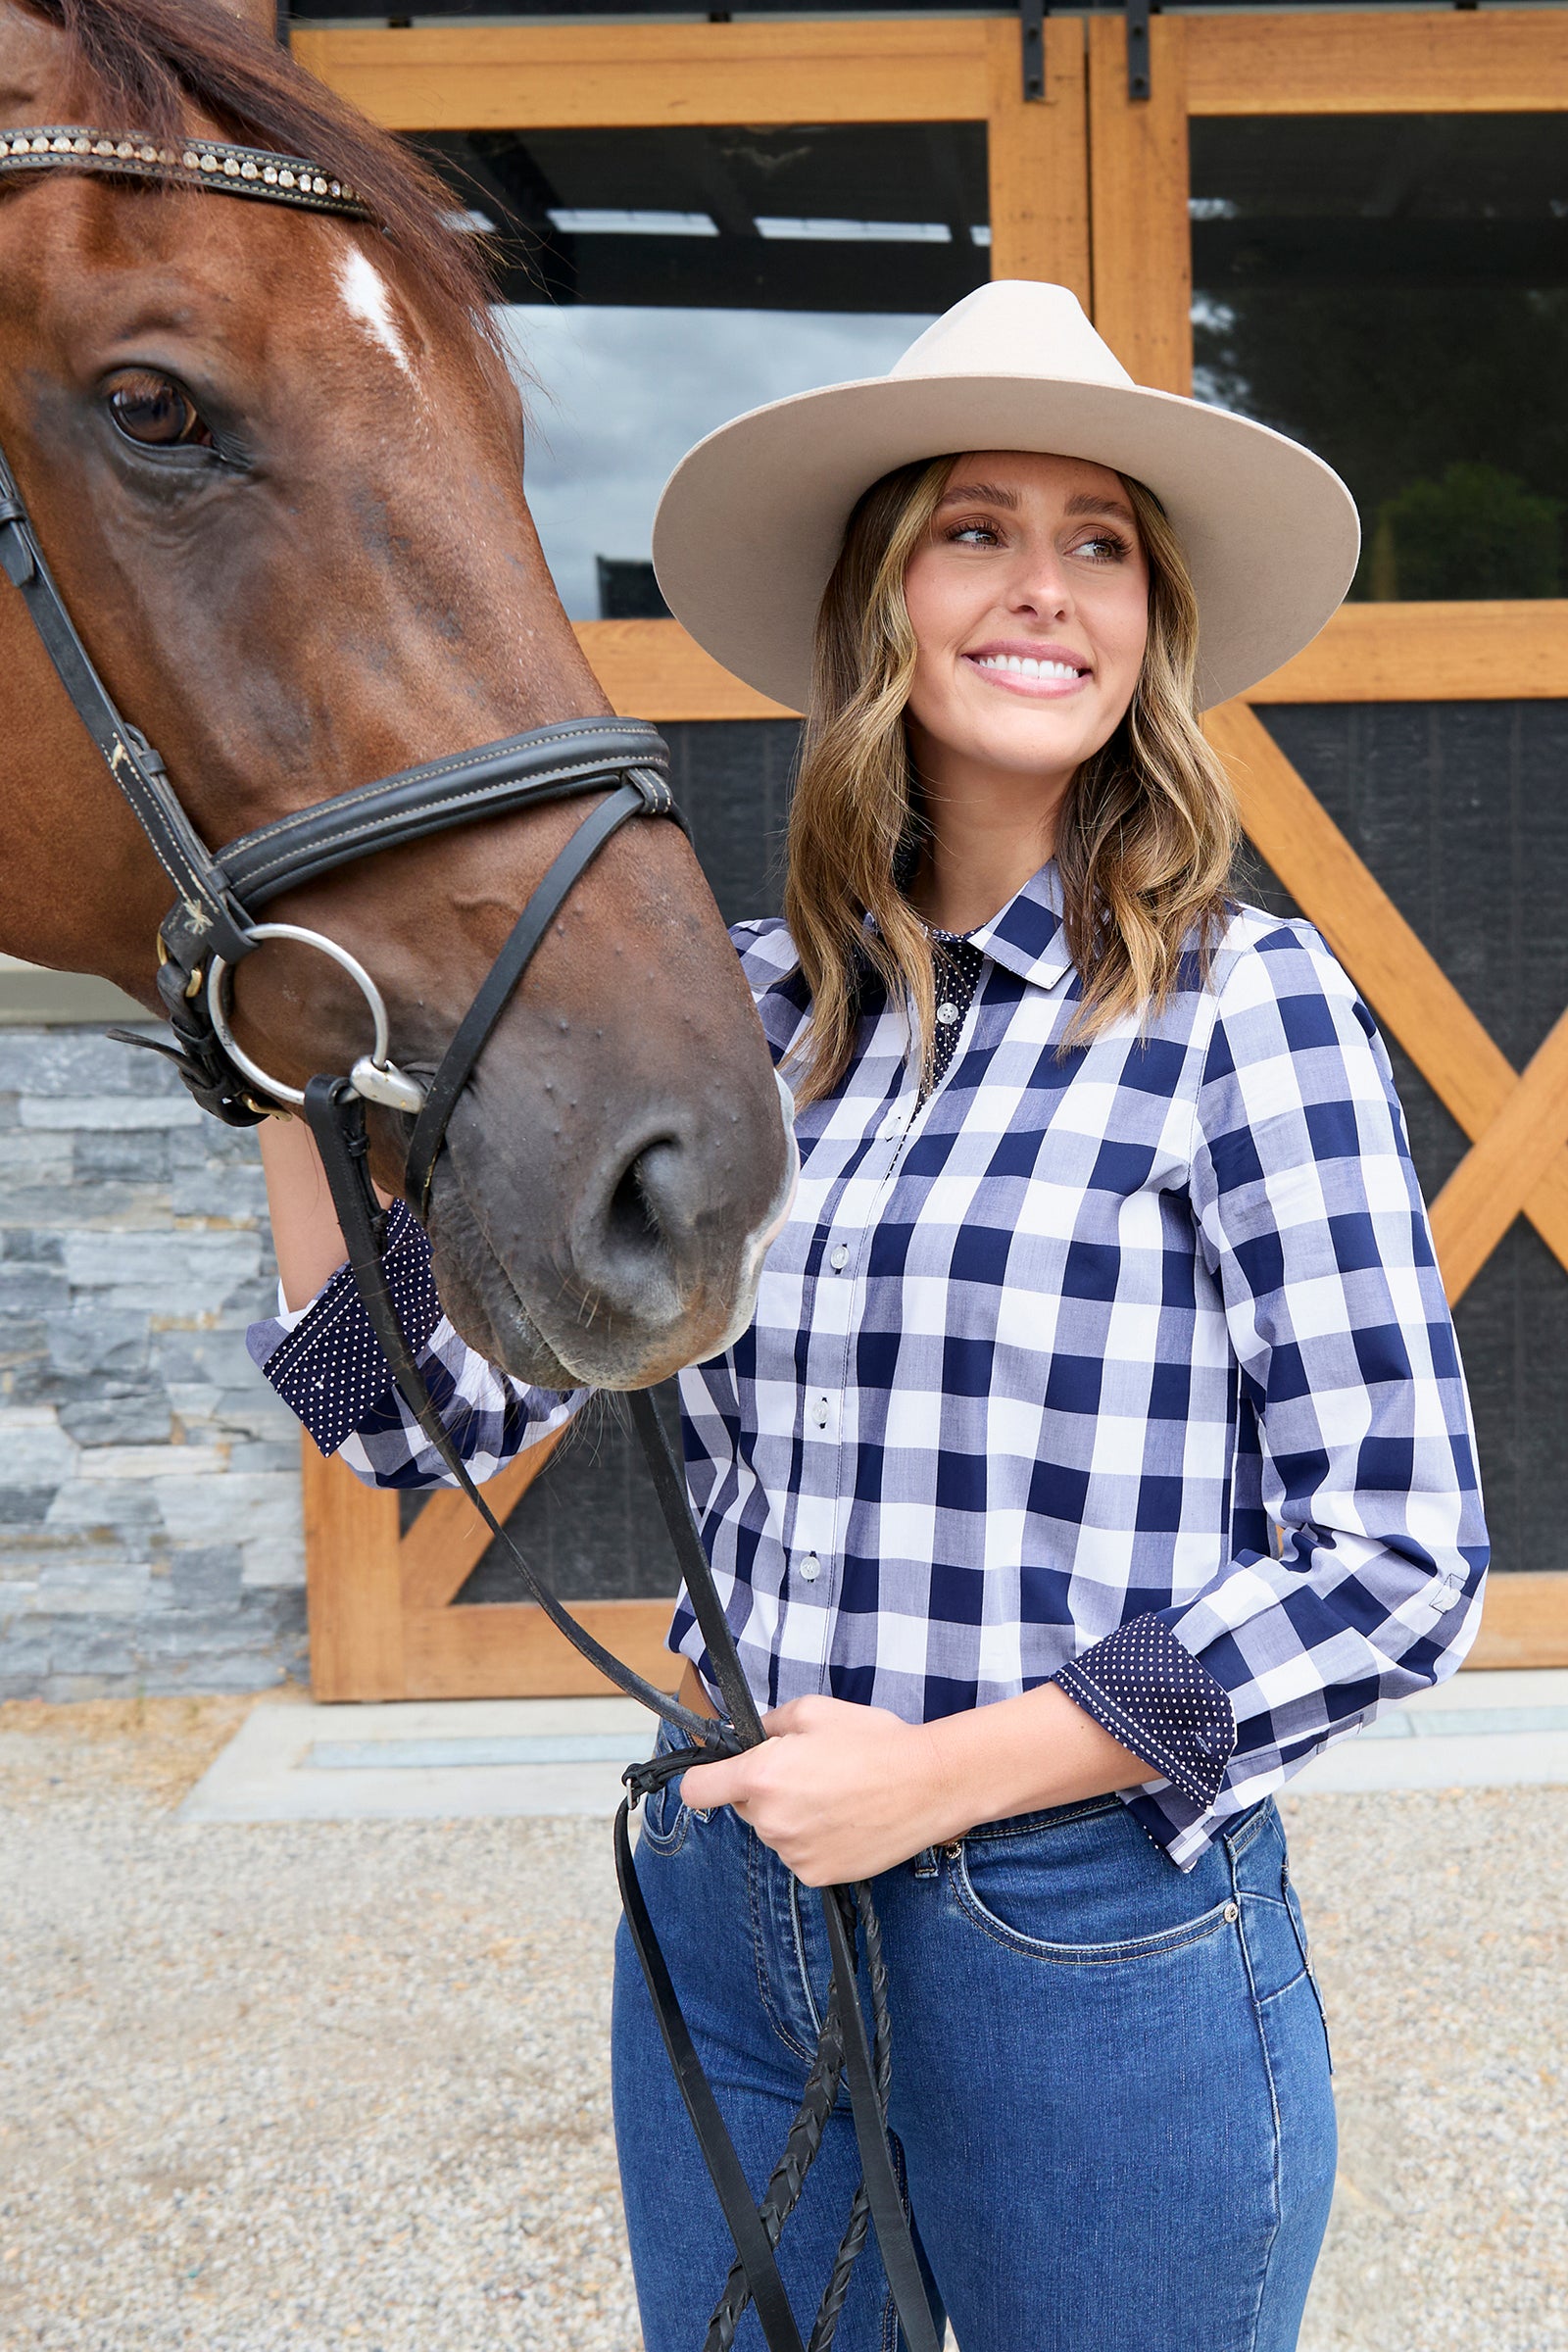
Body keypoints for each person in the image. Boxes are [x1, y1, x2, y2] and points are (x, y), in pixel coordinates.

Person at [251, 282, 1488, 2352]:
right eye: (972, 529)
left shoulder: (1234, 1010)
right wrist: (273, 1052)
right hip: (729, 1916)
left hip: (1079, 1931)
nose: (1044, 588)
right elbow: (415, 1418)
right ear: (875, 604)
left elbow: (1389, 1560)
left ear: (1147, 625)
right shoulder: (739, 1014)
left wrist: (945, 1777)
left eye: (1098, 542)